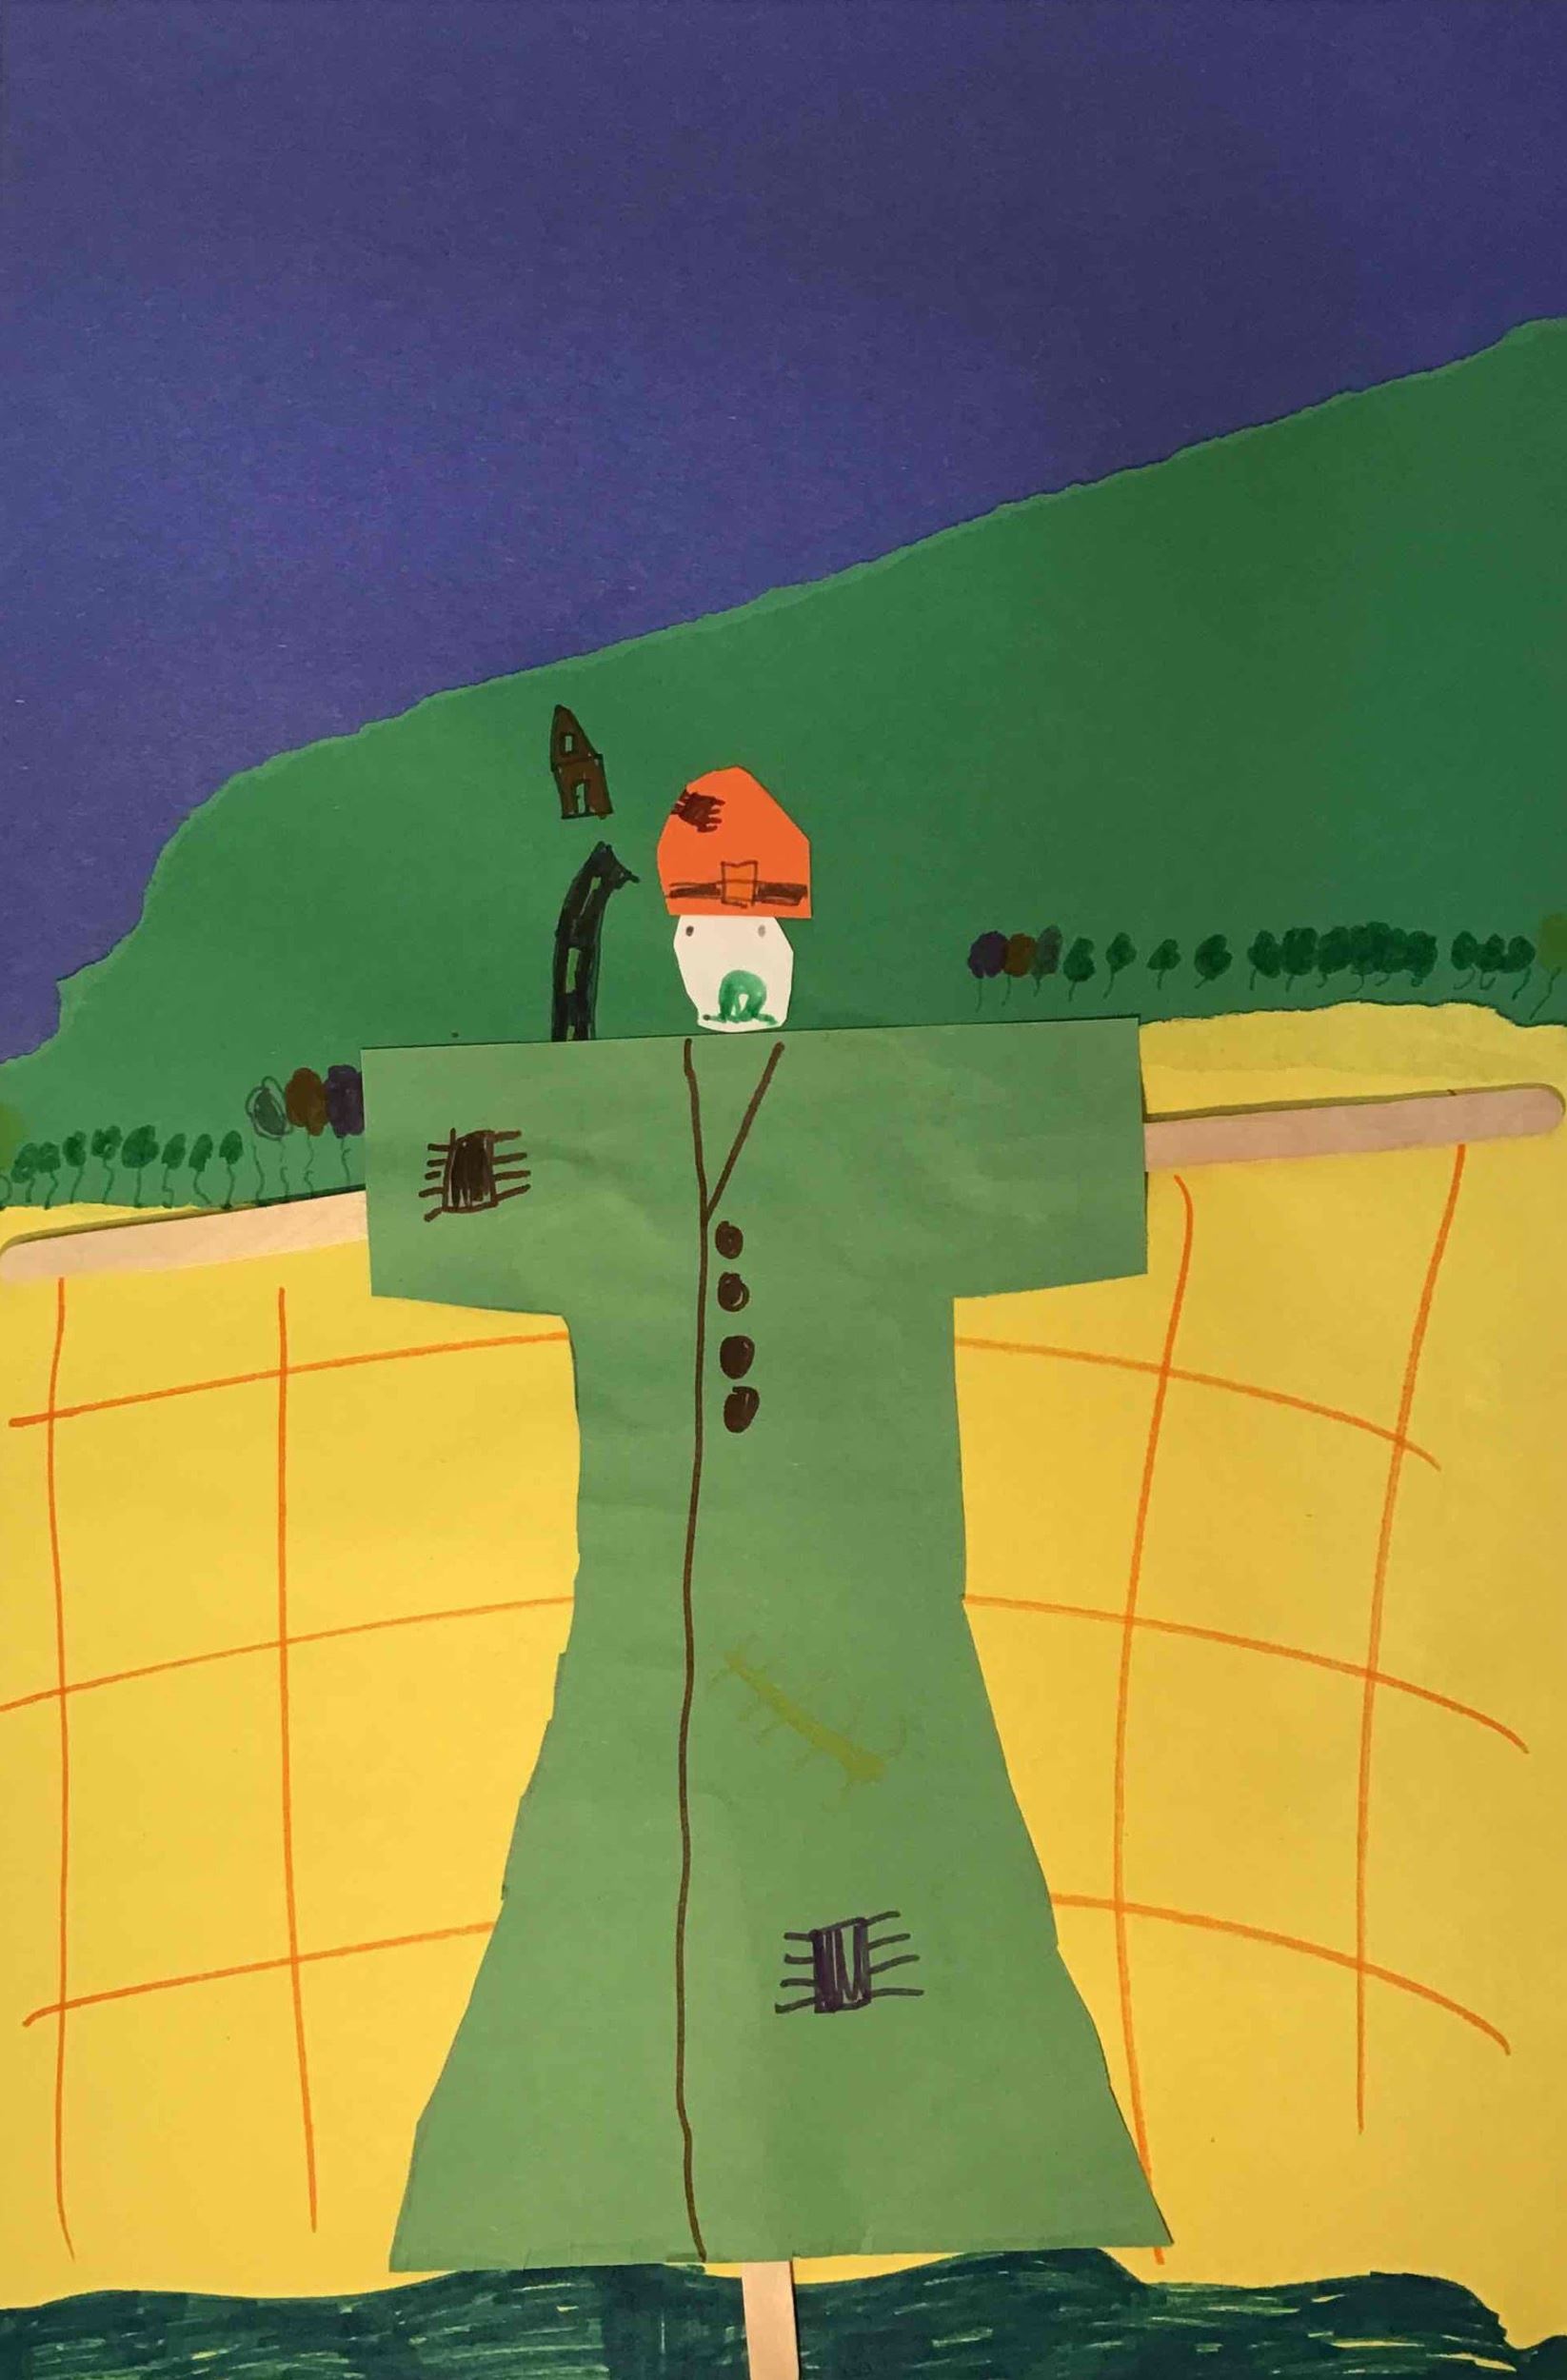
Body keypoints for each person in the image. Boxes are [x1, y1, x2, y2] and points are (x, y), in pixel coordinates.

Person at [367, 767, 1171, 2269]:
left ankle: (962, 2203)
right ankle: (585, 2215)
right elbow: (440, 1181)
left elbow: (1063, 1143)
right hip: (651, 1617)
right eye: (706, 932)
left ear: (794, 943)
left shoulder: (882, 1110)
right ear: (672, 947)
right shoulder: (606, 1126)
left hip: (860, 1602)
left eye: (760, 932)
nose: (735, 960)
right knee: (620, 1896)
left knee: (883, 1884)